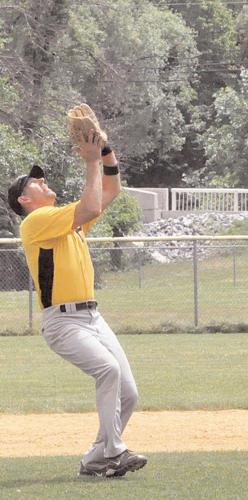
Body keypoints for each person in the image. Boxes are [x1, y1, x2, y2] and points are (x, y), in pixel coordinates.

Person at [7, 129, 147, 478]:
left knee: (128, 394)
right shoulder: (36, 222)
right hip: (63, 322)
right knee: (108, 370)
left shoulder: (68, 223)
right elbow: (91, 204)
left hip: (93, 318)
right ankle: (114, 450)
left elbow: (109, 192)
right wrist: (89, 161)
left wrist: (106, 152)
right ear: (24, 200)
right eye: (33, 182)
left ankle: (95, 459)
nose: (41, 180)